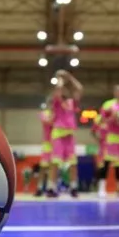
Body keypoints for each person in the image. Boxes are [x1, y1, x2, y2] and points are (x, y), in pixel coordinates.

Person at [46, 70, 83, 198]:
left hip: (70, 135)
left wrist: (70, 77)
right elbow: (58, 89)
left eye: (66, 90)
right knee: (55, 162)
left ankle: (73, 187)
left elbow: (79, 88)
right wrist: (60, 77)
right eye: (63, 90)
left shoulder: (72, 103)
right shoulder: (57, 102)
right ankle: (51, 188)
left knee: (73, 163)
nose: (65, 91)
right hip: (58, 134)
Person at [35, 105, 53, 197]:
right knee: (43, 167)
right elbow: (47, 122)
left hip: (57, 143)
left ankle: (51, 188)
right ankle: (39, 188)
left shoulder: (59, 114)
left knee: (53, 168)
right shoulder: (45, 113)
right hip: (47, 144)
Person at [91, 112, 108, 185]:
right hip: (103, 146)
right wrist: (97, 138)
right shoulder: (98, 120)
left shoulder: (110, 119)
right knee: (101, 164)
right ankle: (98, 182)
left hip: (112, 146)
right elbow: (93, 131)